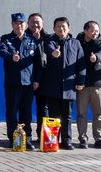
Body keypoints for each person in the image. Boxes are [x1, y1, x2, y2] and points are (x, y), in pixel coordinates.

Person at [35, 17, 85, 150]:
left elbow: (81, 64)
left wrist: (80, 81)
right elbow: (48, 49)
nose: (61, 29)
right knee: (54, 116)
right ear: (54, 28)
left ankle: (67, 141)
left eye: (63, 26)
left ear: (69, 28)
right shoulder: (49, 41)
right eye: (58, 26)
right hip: (52, 86)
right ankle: (53, 141)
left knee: (67, 116)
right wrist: (54, 53)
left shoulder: (76, 43)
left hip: (69, 86)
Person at [0, 13, 40, 148]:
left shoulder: (32, 40)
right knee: (12, 111)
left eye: (21, 23)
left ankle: (26, 138)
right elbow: (2, 52)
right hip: (13, 82)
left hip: (28, 82)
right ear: (12, 24)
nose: (19, 26)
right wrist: (11, 56)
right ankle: (13, 138)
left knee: (26, 112)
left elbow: (38, 62)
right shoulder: (6, 38)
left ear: (26, 25)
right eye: (16, 23)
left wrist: (36, 80)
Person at [76, 21, 101, 148]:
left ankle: (99, 139)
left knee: (98, 113)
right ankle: (82, 139)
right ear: (85, 30)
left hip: (98, 84)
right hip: (82, 84)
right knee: (81, 113)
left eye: (97, 30)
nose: (95, 33)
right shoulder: (77, 42)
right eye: (92, 30)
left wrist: (96, 57)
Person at [28, 12, 51, 140]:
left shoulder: (48, 38)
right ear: (28, 23)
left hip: (43, 78)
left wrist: (38, 41)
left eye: (38, 22)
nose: (35, 25)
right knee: (24, 107)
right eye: (32, 22)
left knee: (43, 108)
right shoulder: (23, 36)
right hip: (27, 77)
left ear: (42, 24)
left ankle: (42, 136)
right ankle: (25, 135)